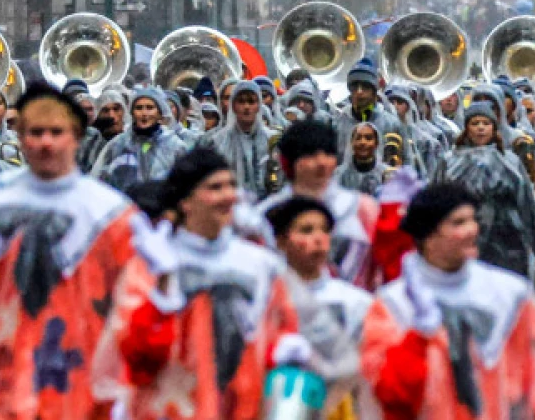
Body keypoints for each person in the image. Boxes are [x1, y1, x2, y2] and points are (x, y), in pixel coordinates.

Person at [0, 82, 144, 419]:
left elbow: (135, 310)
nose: (46, 142)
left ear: (76, 136)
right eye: (36, 132)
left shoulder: (111, 214)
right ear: (20, 136)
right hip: (5, 390)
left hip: (87, 393)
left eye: (56, 132)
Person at [102, 146, 304, 419]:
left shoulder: (260, 265)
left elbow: (277, 331)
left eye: (231, 185)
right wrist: (163, 289)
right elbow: (137, 358)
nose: (228, 196)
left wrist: (283, 351)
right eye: (215, 188)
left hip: (241, 409)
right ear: (186, 202)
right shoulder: (153, 264)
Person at [359, 182, 535, 420]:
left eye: (473, 220)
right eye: (458, 223)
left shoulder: (509, 294)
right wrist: (418, 339)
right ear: (428, 236)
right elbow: (389, 393)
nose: (472, 230)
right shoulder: (393, 305)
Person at [254, 118, 401, 290]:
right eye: (310, 155)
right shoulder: (267, 214)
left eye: (327, 153)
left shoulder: (363, 209)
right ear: (288, 162)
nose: (321, 162)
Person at [267, 197, 374, 420]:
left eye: (325, 230)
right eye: (306, 230)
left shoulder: (356, 302)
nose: (318, 239)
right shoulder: (267, 299)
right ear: (281, 241)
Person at [434, 99, 535, 280]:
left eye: (486, 123)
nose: (480, 128)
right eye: (475, 123)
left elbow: (528, 204)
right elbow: (434, 204)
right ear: (466, 128)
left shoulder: (510, 161)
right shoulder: (449, 161)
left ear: (494, 127)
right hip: (462, 243)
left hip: (508, 246)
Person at [91, 87, 187, 190]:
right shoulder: (118, 144)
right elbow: (97, 179)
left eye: (150, 108)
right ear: (132, 113)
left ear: (160, 113)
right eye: (139, 108)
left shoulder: (174, 146)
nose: (144, 113)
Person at [207, 80, 276, 198]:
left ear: (259, 105)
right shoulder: (219, 141)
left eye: (251, 101)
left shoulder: (272, 139)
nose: (246, 107)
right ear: (233, 106)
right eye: (241, 101)